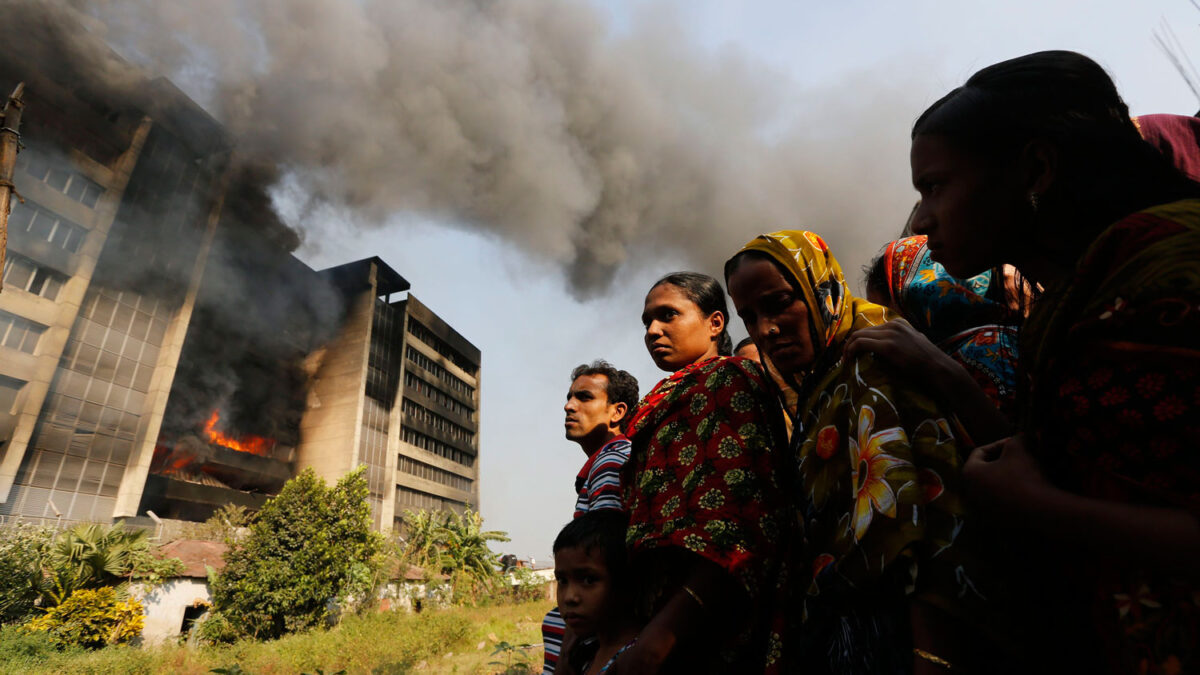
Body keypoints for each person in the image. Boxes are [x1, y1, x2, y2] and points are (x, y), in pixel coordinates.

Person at [907, 50, 1200, 673]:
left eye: (936, 187)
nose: (924, 220)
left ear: (1036, 169)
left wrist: (1040, 510)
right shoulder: (1074, 305)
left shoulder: (1168, 273)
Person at [726, 230, 998, 674]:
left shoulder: (874, 356)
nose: (765, 330)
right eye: (750, 317)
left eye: (778, 304)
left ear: (826, 292)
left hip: (902, 632)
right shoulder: (817, 387)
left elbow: (926, 511)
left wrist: (930, 656)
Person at [616, 272, 787, 673]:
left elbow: (738, 527)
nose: (653, 330)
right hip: (661, 613)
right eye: (647, 322)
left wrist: (661, 636)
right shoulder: (667, 396)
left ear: (715, 323)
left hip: (708, 622)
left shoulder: (729, 380)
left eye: (668, 315)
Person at [855, 235, 1020, 427]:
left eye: (887, 314)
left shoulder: (985, 349)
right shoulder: (1009, 335)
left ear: (919, 296)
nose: (882, 329)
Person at [543, 361, 640, 674]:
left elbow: (602, 559)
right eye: (570, 397)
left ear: (617, 412)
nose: (569, 406)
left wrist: (568, 654)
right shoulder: (603, 463)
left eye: (584, 397)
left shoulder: (612, 460)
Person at [553, 511, 641, 675]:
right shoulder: (584, 654)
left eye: (588, 580)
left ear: (626, 581)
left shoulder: (637, 661)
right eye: (562, 581)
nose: (569, 597)